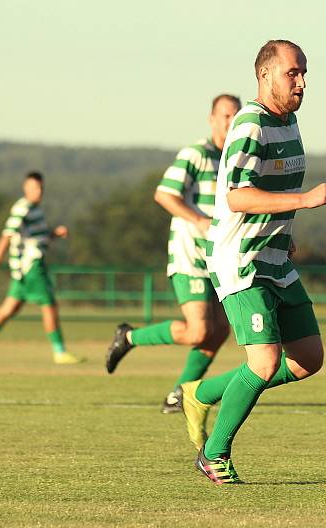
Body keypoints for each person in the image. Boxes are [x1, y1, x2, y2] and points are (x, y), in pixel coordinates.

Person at [176, 39, 326, 484]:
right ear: (265, 75)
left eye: (304, 72)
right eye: (293, 73)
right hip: (241, 260)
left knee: (308, 359)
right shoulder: (251, 124)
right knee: (265, 362)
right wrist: (305, 200)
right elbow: (237, 196)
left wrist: (283, 234)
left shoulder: (289, 122)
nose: (302, 82)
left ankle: (202, 391)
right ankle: (214, 454)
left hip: (273, 256)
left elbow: (269, 193)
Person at [105, 95, 241, 414]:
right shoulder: (196, 154)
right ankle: (130, 337)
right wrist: (198, 220)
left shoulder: (236, 159)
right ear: (211, 119)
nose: (230, 122)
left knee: (220, 329)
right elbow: (164, 194)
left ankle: (180, 393)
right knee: (198, 331)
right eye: (225, 115)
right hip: (190, 253)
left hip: (219, 256)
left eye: (236, 116)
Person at [0, 171, 84, 365]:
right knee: (50, 306)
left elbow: (36, 237)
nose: (38, 191)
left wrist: (54, 234)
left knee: (10, 307)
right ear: (26, 188)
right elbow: (7, 234)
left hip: (22, 269)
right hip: (31, 266)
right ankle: (59, 352)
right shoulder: (23, 208)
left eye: (40, 188)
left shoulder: (36, 209)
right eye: (34, 188)